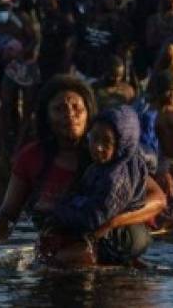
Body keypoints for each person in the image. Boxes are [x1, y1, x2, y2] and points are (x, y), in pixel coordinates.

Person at [0, 76, 166, 262]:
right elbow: (8, 214)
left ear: (89, 113)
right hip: (59, 251)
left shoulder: (108, 154)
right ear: (46, 117)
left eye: (77, 108)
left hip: (109, 244)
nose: (70, 115)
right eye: (59, 109)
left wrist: (112, 223)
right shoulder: (31, 158)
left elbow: (158, 200)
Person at [50, 105, 151, 266]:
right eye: (94, 138)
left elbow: (95, 217)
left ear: (122, 144)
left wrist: (60, 209)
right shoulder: (100, 167)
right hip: (110, 230)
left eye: (107, 142)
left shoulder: (116, 178)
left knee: (58, 261)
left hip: (122, 236)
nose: (98, 147)